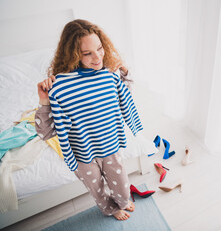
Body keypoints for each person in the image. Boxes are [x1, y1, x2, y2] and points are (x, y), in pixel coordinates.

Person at [35, 19, 143, 221]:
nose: (97, 57)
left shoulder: (108, 76)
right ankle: (111, 210)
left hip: (110, 146)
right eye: (87, 53)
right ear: (74, 55)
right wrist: (44, 102)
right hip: (82, 155)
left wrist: (125, 73)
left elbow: (124, 99)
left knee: (121, 184)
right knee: (97, 190)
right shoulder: (60, 87)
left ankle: (122, 200)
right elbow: (45, 133)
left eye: (100, 48)